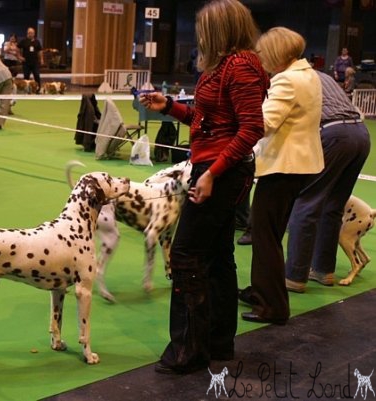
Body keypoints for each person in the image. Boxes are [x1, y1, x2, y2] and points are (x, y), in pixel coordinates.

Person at [139, 0, 269, 374]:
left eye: (204, 29)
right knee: (216, 257)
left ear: (220, 30)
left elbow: (251, 129)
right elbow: (207, 121)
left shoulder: (240, 65)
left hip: (221, 170)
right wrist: (170, 108)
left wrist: (212, 174)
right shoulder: (224, 66)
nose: (199, 35)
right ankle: (216, 344)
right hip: (214, 165)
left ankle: (188, 351)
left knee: (185, 255)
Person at [239, 27, 324, 325]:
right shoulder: (308, 74)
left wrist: (237, 117)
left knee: (264, 236)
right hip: (298, 165)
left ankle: (271, 306)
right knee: (269, 234)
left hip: (283, 166)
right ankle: (263, 291)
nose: (261, 58)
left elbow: (263, 123)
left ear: (275, 52)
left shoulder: (287, 80)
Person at [284, 71, 370, 293]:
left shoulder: (287, 78)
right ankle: (323, 271)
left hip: (334, 134)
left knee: (305, 204)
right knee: (332, 206)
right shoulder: (322, 75)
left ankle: (294, 276)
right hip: (360, 134)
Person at [18, 27, 43, 92]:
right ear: (27, 33)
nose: (30, 34)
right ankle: (26, 90)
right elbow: (17, 48)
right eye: (29, 33)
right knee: (26, 77)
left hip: (35, 62)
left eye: (31, 33)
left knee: (37, 75)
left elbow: (40, 51)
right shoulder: (24, 41)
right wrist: (19, 56)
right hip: (26, 62)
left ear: (34, 34)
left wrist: (42, 59)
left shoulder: (37, 41)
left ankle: (38, 90)